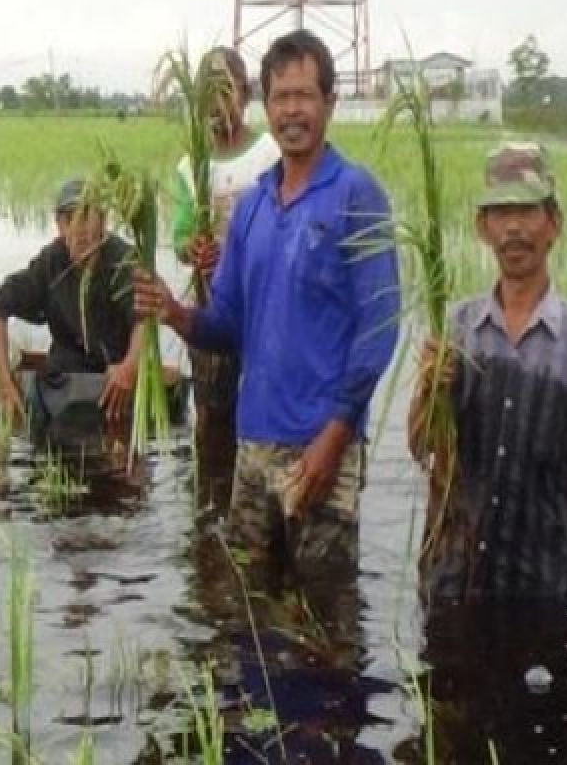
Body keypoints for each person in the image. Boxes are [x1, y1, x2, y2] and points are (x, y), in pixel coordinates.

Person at [136, 29, 400, 587]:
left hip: (321, 447)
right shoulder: (254, 204)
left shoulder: (357, 195)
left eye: (306, 96)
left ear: (329, 103)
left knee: (324, 616)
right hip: (252, 444)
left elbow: (378, 330)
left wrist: (334, 438)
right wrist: (176, 314)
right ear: (266, 105)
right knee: (249, 607)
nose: (293, 110)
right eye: (282, 97)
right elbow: (226, 325)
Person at [412, 141, 567, 610]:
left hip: (539, 584)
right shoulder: (456, 328)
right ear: (483, 228)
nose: (515, 228)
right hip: (452, 580)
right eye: (501, 213)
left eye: (527, 211)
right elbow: (422, 447)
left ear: (554, 224)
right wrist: (428, 389)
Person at [171, 46, 281, 512]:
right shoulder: (190, 166)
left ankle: (261, 510)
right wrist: (190, 247)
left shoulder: (269, 154)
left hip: (267, 314)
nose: (217, 104)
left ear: (246, 92)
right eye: (207, 95)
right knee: (212, 417)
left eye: (225, 91)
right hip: (211, 310)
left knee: (265, 416)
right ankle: (213, 513)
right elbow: (179, 233)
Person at [0, 179, 143, 436]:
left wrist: (129, 366)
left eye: (87, 216)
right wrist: (5, 380)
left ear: (102, 222)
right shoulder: (51, 263)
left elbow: (145, 321)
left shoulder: (123, 261)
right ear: (59, 226)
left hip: (114, 378)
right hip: (65, 377)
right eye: (70, 219)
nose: (80, 230)